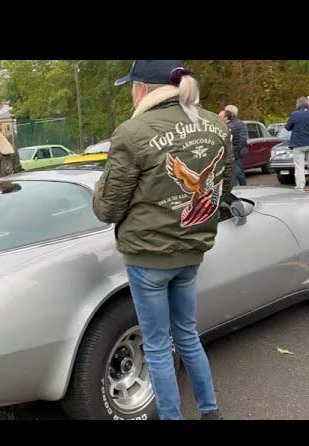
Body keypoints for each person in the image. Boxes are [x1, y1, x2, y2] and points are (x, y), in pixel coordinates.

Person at [93, 60, 234, 420]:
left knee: (156, 346)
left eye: (131, 85)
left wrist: (99, 188)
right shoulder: (215, 125)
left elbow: (107, 209)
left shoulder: (131, 132)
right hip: (191, 251)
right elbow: (225, 188)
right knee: (187, 333)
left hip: (149, 258)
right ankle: (210, 410)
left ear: (142, 88)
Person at [285, 96, 309, 191]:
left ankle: (300, 187)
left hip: (298, 144)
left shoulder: (295, 114)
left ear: (298, 104)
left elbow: (287, 127)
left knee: (299, 166)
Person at [222, 104, 248, 186]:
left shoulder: (231, 126)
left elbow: (240, 140)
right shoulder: (240, 123)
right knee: (239, 171)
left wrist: (232, 151)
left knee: (236, 172)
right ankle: (243, 187)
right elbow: (243, 139)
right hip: (239, 151)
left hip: (235, 152)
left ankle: (240, 188)